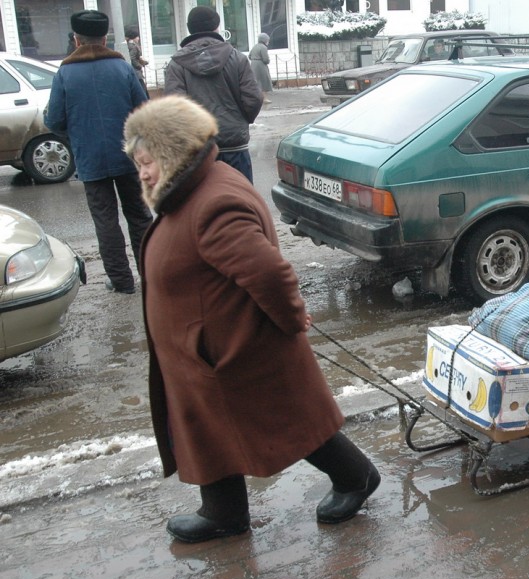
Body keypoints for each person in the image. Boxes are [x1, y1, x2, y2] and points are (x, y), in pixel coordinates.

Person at [122, 95, 381, 544]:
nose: (142, 173)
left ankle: (356, 477)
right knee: (215, 427)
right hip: (209, 347)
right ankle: (223, 513)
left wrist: (293, 320)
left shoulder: (212, 202)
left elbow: (269, 272)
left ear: (173, 153)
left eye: (148, 162)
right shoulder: (198, 186)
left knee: (290, 420)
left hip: (232, 348)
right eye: (138, 164)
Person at [45, 10, 151, 295]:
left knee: (105, 221)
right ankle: (151, 276)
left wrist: (77, 134)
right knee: (140, 216)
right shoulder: (123, 68)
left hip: (90, 159)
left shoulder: (65, 73)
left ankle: (121, 281)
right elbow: (144, 111)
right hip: (129, 156)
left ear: (77, 40)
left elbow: (53, 120)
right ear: (105, 38)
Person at [164, 6, 262, 184]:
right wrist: (240, 120)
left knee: (205, 205)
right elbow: (253, 98)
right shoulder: (237, 58)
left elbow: (174, 111)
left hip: (199, 150)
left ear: (189, 28)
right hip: (235, 146)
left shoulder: (176, 65)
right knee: (241, 202)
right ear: (216, 26)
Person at [249, 32, 273, 104]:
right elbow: (265, 59)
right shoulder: (263, 47)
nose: (268, 42)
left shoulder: (255, 46)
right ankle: (264, 98)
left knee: (255, 81)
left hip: (253, 64)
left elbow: (249, 56)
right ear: (265, 40)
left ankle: (255, 98)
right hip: (261, 66)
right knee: (264, 81)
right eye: (267, 40)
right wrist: (268, 61)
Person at [124, 25, 148, 94]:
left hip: (134, 71)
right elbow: (132, 59)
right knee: (142, 91)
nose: (138, 38)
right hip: (136, 72)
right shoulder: (133, 46)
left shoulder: (129, 45)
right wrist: (139, 66)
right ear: (133, 37)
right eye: (137, 36)